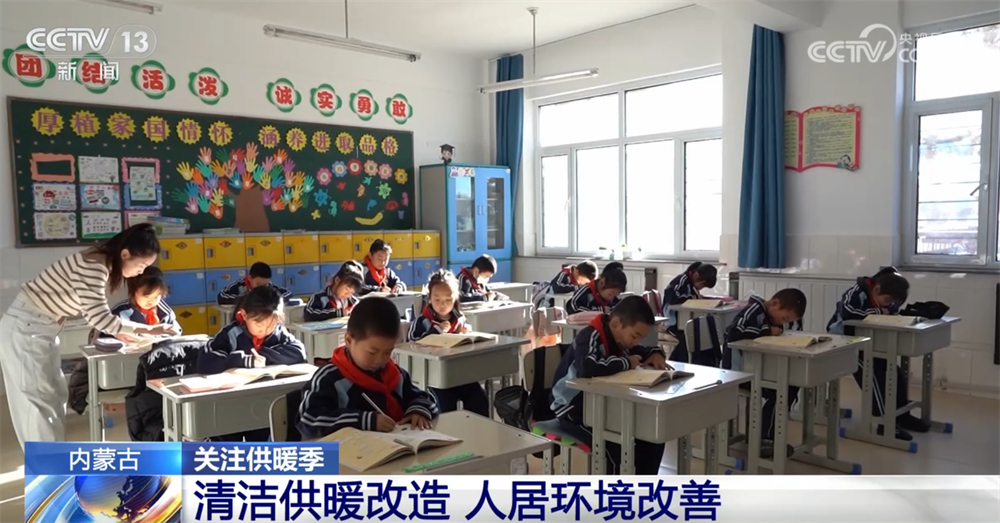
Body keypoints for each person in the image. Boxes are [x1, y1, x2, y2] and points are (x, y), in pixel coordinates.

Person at [0, 223, 176, 449]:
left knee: (53, 396)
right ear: (125, 254)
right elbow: (100, 319)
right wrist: (150, 330)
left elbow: (92, 311)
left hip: (41, 328)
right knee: (37, 404)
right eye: (141, 265)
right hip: (27, 329)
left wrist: (127, 331)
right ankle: (47, 465)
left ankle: (54, 458)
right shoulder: (94, 267)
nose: (141, 272)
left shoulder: (98, 260)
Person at [549, 296, 667, 474]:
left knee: (651, 437)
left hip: (603, 407)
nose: (636, 342)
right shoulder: (590, 335)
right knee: (614, 446)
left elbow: (639, 351)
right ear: (616, 323)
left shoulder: (620, 338)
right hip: (573, 408)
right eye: (635, 336)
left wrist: (656, 352)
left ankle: (642, 486)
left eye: (640, 338)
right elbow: (587, 367)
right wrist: (626, 362)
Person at [297, 297, 439, 440]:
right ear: (349, 341)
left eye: (387, 352)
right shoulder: (329, 378)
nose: (380, 360)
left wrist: (418, 411)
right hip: (350, 451)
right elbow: (308, 420)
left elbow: (425, 398)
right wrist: (364, 420)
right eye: (372, 352)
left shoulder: (394, 374)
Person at [68, 266, 183, 415]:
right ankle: (133, 408)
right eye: (146, 296)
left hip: (153, 367)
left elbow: (177, 333)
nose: (152, 301)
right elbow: (101, 338)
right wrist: (118, 336)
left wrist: (167, 335)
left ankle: (152, 413)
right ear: (133, 291)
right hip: (125, 369)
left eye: (157, 296)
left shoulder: (164, 311)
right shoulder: (121, 311)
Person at [827, 267, 925, 440]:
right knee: (872, 375)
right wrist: (879, 312)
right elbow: (848, 313)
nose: (888, 304)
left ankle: (902, 416)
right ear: (876, 289)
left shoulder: (884, 298)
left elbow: (892, 312)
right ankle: (884, 423)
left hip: (870, 341)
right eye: (887, 300)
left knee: (894, 372)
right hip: (846, 342)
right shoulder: (856, 292)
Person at [198, 285, 306, 441]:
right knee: (228, 444)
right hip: (229, 406)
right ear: (244, 315)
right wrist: (245, 360)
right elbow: (206, 361)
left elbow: (299, 352)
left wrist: (263, 356)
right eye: (259, 324)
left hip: (263, 403)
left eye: (271, 325)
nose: (265, 330)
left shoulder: (278, 332)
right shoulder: (231, 334)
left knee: (261, 438)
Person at [724, 288, 807, 459]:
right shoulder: (753, 310)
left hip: (756, 369)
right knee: (780, 390)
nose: (783, 323)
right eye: (784, 318)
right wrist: (766, 331)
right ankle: (765, 439)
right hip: (738, 372)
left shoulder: (768, 315)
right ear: (774, 303)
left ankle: (768, 435)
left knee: (791, 384)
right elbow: (733, 332)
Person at [407, 270, 489, 417]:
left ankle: (478, 428)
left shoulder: (459, 319)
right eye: (437, 299)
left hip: (459, 372)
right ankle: (446, 430)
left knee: (479, 399)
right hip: (433, 376)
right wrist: (436, 331)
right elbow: (411, 344)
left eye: (448, 300)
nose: (442, 305)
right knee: (445, 404)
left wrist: (466, 333)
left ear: (455, 298)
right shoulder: (422, 321)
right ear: (429, 298)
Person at [662, 262, 718, 363]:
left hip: (685, 322)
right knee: (692, 338)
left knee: (706, 334)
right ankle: (679, 362)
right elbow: (672, 298)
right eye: (702, 285)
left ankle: (708, 362)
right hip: (673, 324)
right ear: (695, 275)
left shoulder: (691, 284)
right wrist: (691, 298)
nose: (701, 288)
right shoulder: (682, 281)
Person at [217, 262, 292, 305]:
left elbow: (288, 293)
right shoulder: (239, 286)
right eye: (258, 284)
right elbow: (221, 296)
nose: (261, 289)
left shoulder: (269, 287)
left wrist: (275, 299)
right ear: (249, 278)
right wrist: (246, 300)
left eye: (265, 285)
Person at [531, 261, 598, 309]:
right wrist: (575, 287)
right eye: (582, 281)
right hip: (548, 303)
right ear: (576, 272)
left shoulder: (578, 279)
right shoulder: (565, 274)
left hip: (563, 304)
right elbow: (556, 287)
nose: (582, 284)